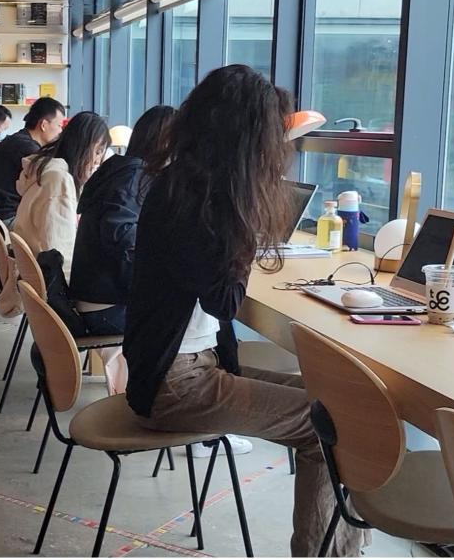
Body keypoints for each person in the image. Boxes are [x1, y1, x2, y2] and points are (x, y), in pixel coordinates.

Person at [123, 65, 368, 557]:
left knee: (339, 406)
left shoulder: (182, 187)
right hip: (174, 383)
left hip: (182, 368)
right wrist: (246, 226)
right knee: (328, 426)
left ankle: (342, 550)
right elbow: (224, 302)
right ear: (246, 139)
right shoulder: (195, 204)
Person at [69, 106, 177, 396]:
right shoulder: (132, 178)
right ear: (166, 142)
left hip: (91, 297)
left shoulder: (118, 170)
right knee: (186, 323)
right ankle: (165, 400)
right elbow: (122, 238)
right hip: (105, 308)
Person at [13, 111, 109, 280]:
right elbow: (61, 254)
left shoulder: (45, 170)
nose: (97, 161)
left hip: (31, 273)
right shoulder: (58, 181)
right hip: (45, 281)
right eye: (98, 151)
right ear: (82, 148)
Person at [0, 97, 66, 222]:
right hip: (4, 218)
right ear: (44, 125)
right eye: (59, 125)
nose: (60, 131)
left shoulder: (18, 139)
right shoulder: (28, 149)